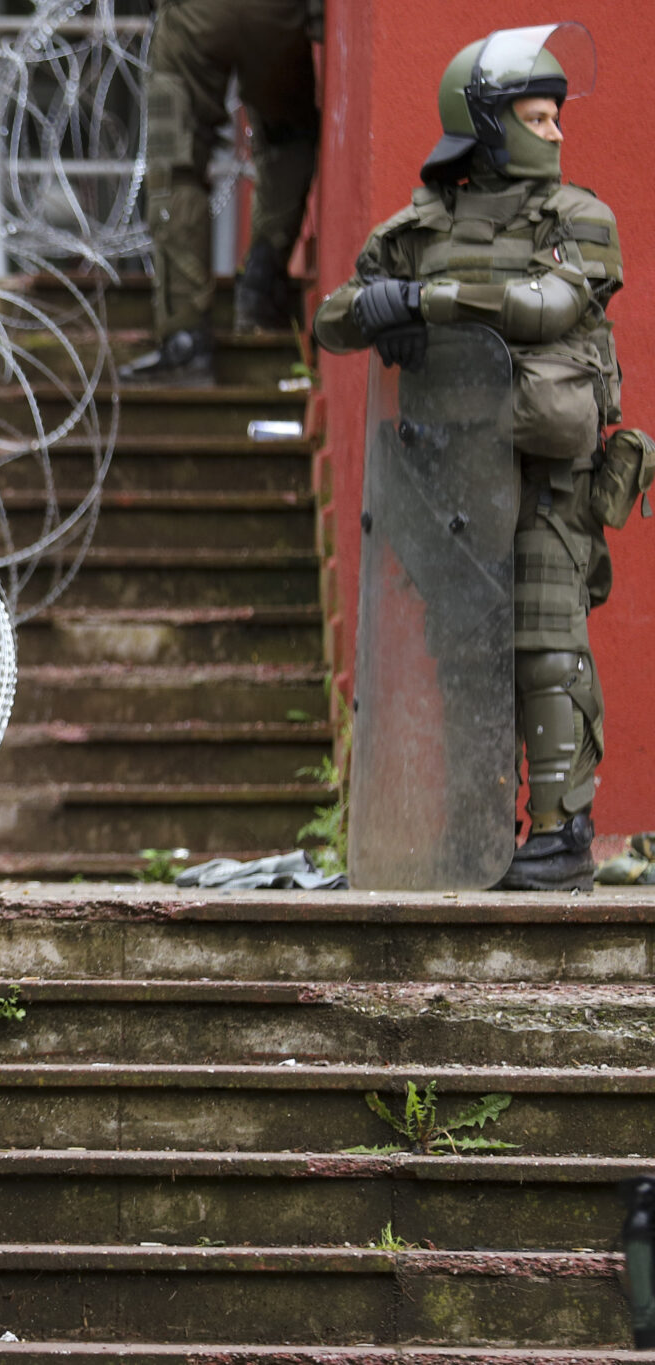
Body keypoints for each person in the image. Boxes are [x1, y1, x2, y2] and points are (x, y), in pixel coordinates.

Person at [313, 23, 625, 892]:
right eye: (537, 116)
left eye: (556, 117)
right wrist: (383, 310)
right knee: (463, 652)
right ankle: (471, 830)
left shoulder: (578, 219)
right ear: (487, 125)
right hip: (447, 479)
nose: (557, 133)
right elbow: (336, 316)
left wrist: (426, 300)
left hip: (547, 476)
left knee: (547, 645)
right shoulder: (420, 225)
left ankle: (562, 834)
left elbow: (549, 304)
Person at [119, 0, 322, 384]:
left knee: (176, 166)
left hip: (195, 14)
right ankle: (262, 281)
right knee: (288, 136)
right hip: (277, 14)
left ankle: (186, 339)